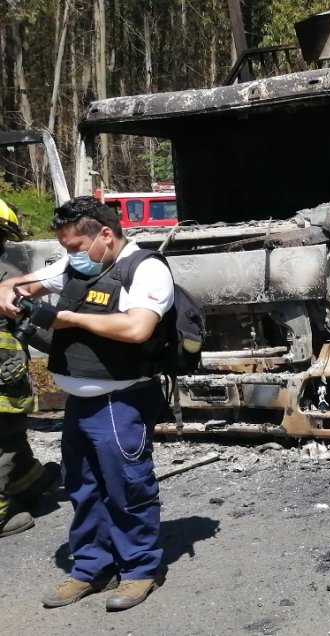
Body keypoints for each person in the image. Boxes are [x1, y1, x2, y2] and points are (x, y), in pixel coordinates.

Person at [0, 196, 173, 610]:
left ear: (106, 235)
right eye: (65, 248)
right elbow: (18, 284)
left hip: (121, 401)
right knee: (84, 488)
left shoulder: (145, 269)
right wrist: (11, 292)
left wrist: (67, 318)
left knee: (128, 488)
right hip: (79, 403)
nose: (70, 256)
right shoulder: (75, 262)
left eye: (76, 247)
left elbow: (136, 328)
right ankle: (90, 567)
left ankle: (138, 571)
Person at [0, 197, 59, 538]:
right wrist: (73, 349)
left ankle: (30, 484)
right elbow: (36, 327)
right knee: (4, 442)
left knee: (12, 437)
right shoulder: (6, 278)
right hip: (3, 386)